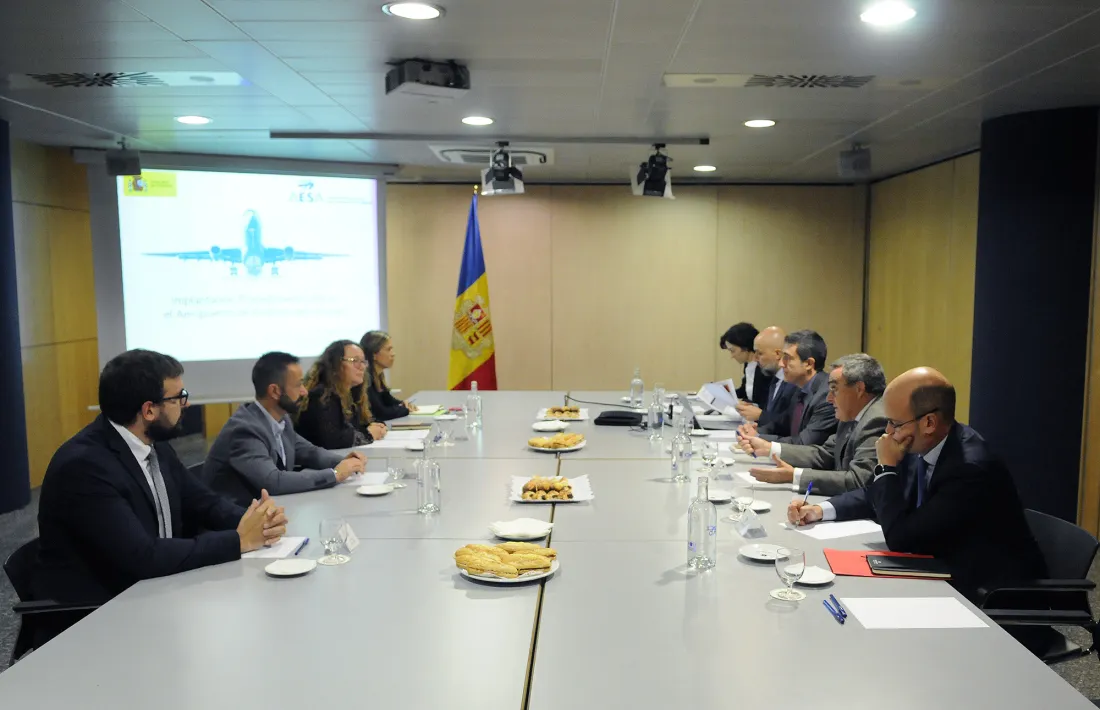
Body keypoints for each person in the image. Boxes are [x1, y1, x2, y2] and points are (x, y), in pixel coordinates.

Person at [34, 349, 288, 608]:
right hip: (102, 611)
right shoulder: (85, 467)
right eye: (179, 398)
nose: (186, 404)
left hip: (158, 588)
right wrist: (238, 540)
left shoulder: (153, 445)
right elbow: (142, 557)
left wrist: (256, 520)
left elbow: (204, 502)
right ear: (148, 411)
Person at [787, 367, 1045, 601]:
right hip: (937, 568)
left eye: (895, 423)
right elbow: (875, 495)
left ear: (929, 423)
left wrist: (886, 467)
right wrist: (822, 510)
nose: (888, 432)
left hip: (988, 593)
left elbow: (902, 539)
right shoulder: (922, 444)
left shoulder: (969, 468)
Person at [204, 351, 367, 506]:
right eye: (298, 385)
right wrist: (335, 475)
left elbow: (309, 452)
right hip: (236, 522)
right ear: (275, 391)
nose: (304, 392)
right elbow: (273, 482)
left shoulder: (281, 419)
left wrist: (345, 461)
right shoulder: (245, 430)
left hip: (274, 509)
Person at [741, 353, 888, 495]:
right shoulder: (853, 413)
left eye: (834, 389)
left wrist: (794, 476)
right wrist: (769, 448)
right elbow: (825, 454)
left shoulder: (876, 420)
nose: (829, 398)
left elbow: (858, 481)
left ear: (859, 389)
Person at [740, 329, 837, 446]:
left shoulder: (826, 396)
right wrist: (756, 432)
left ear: (809, 364)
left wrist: (761, 439)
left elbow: (803, 443)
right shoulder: (799, 387)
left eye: (787, 358)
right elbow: (781, 425)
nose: (781, 364)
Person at [296, 340, 388, 449]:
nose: (362, 367)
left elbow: (355, 426)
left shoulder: (350, 394)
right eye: (355, 360)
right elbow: (332, 439)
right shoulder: (322, 395)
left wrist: (376, 426)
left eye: (363, 361)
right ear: (335, 365)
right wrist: (369, 434)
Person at [735, 326, 795, 425]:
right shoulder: (774, 378)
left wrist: (760, 415)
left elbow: (790, 424)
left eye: (760, 353)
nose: (755, 358)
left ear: (778, 354)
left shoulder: (794, 383)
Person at [359, 331, 414, 422]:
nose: (393, 354)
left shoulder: (378, 376)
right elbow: (381, 413)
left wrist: (402, 403)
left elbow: (387, 400)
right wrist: (406, 410)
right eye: (389, 350)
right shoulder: (366, 379)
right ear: (374, 355)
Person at [719, 322, 772, 408]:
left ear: (745, 347)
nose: (732, 356)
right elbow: (744, 392)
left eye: (733, 351)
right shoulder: (748, 365)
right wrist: (724, 393)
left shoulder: (765, 369)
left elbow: (764, 401)